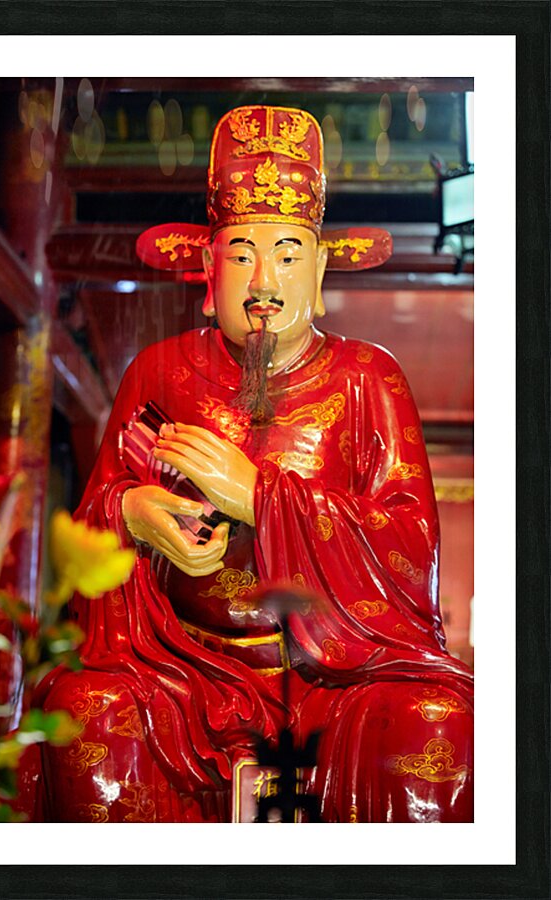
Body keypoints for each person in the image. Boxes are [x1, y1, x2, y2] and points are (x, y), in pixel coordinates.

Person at [39, 105, 473, 823]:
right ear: (206, 265)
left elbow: (410, 543)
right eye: (240, 254)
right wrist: (133, 515)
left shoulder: (367, 377)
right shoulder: (158, 370)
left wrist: (256, 495)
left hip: (332, 674)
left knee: (436, 719)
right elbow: (94, 513)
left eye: (288, 255)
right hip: (181, 667)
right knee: (84, 708)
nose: (262, 280)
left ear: (322, 267)